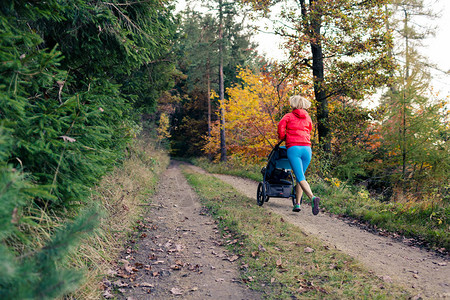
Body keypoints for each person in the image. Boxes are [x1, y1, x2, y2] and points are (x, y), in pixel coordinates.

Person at [277, 95, 320, 215]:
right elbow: (309, 130)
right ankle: (297, 204)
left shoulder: (288, 116)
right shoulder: (308, 117)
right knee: (300, 177)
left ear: (293, 104)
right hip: (307, 149)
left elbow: (281, 127)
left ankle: (312, 198)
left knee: (300, 177)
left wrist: (283, 137)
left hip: (294, 148)